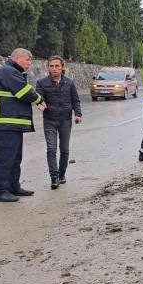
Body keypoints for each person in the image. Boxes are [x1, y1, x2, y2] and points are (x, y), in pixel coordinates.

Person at [0, 48, 47, 202]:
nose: (30, 63)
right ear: (17, 58)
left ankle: (13, 186)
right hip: (4, 123)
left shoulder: (13, 71)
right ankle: (0, 190)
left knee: (14, 158)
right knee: (5, 158)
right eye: (28, 60)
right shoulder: (8, 71)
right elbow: (23, 92)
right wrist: (39, 99)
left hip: (11, 123)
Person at [36, 55, 82, 189]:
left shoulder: (69, 83)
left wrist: (78, 114)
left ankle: (62, 174)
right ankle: (54, 177)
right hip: (50, 120)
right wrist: (40, 104)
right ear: (48, 68)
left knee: (64, 150)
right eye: (51, 66)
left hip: (65, 120)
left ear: (62, 68)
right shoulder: (42, 83)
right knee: (51, 149)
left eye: (57, 66)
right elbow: (39, 98)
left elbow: (75, 100)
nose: (54, 69)